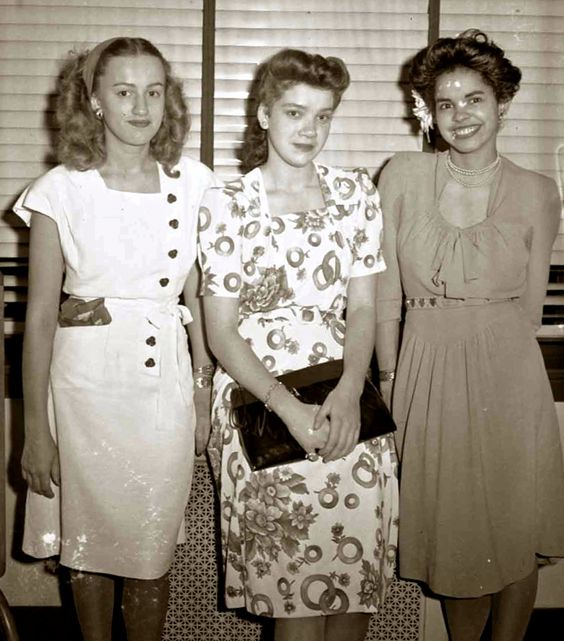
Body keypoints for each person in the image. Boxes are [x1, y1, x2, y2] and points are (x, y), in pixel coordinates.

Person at [13, 37, 216, 641]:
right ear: (94, 101)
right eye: (123, 91)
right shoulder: (60, 190)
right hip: (83, 391)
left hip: (164, 386)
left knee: (153, 548)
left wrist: (202, 387)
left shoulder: (196, 182)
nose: (140, 106)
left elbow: (200, 297)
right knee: (86, 547)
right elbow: (41, 318)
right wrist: (33, 431)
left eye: (154, 91)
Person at [197, 48, 399, 641]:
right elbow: (221, 331)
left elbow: (363, 306)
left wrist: (345, 390)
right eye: (294, 112)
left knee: (354, 592)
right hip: (263, 402)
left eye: (324, 115)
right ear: (263, 115)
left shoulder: (357, 193)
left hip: (347, 397)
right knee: (294, 601)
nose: (310, 130)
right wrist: (288, 407)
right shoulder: (227, 203)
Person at [375, 29, 564, 641]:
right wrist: (387, 376)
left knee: (513, 527)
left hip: (509, 375)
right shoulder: (401, 175)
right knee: (458, 537)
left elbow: (532, 308)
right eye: (446, 102)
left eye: (475, 99)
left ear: (502, 103)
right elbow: (382, 292)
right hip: (422, 370)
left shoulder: (539, 192)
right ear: (426, 111)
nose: (462, 115)